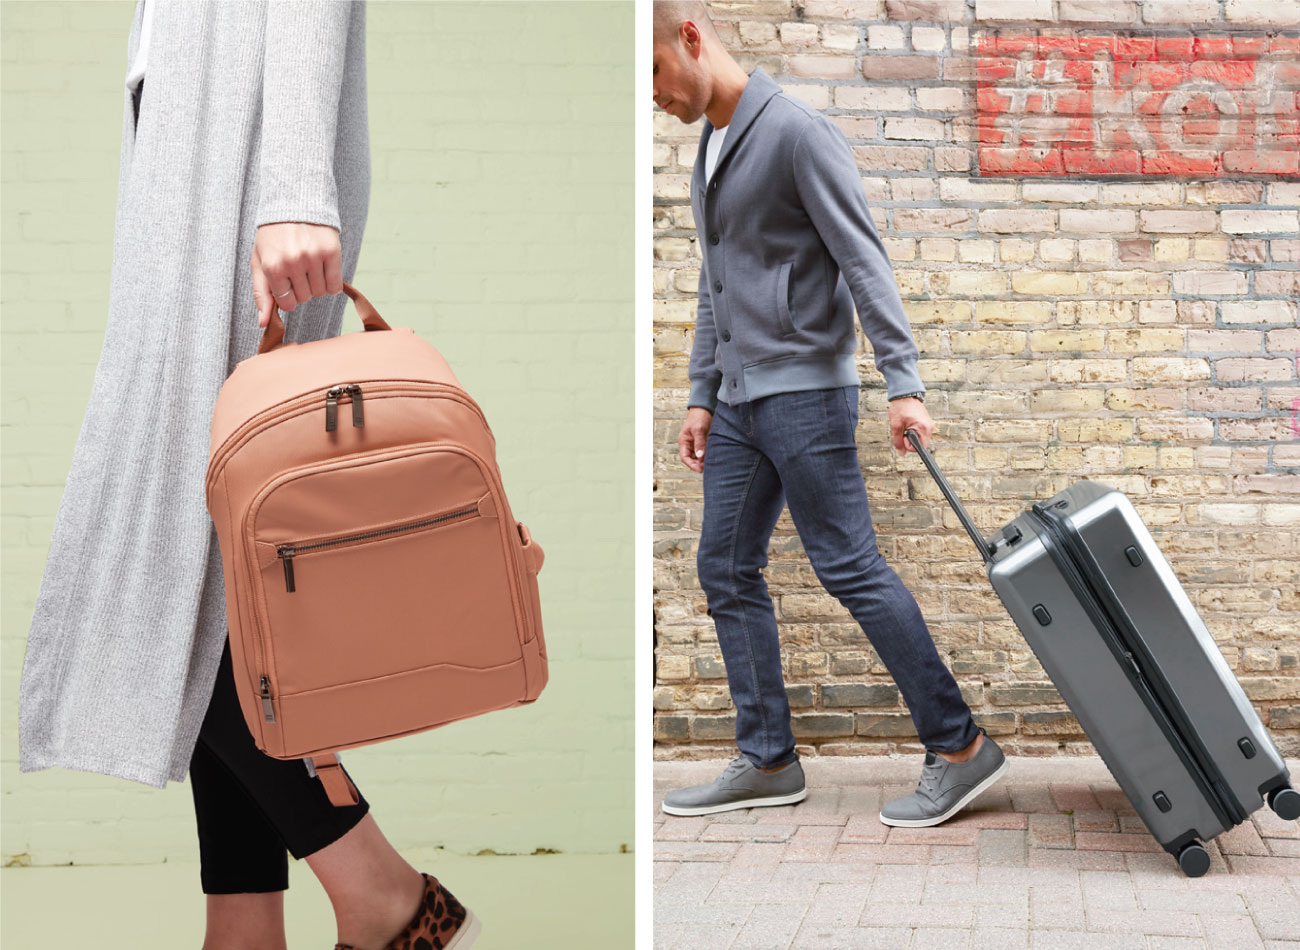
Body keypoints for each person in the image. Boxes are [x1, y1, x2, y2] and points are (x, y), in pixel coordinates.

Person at [17, 3, 477, 948]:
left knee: (174, 572)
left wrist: (298, 182)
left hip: (240, 165)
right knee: (217, 571)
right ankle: (243, 923)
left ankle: (382, 891)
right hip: (187, 164)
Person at [652, 0, 1009, 828]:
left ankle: (959, 747)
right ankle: (768, 757)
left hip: (807, 394)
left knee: (848, 566)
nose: (656, 96)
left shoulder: (796, 133)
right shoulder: (712, 145)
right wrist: (702, 394)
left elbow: (862, 258)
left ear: (692, 40)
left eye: (657, 73)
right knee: (725, 568)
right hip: (741, 402)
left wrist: (903, 382)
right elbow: (718, 283)